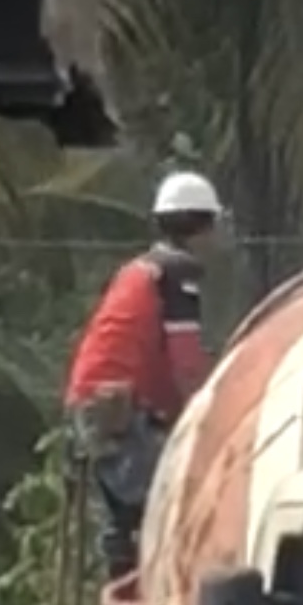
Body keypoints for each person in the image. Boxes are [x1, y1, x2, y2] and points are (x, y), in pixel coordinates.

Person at [64, 169, 223, 578]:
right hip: (119, 407)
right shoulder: (176, 274)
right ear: (202, 227)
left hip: (95, 403)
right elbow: (186, 363)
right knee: (177, 502)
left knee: (124, 526)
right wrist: (213, 419)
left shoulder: (139, 269)